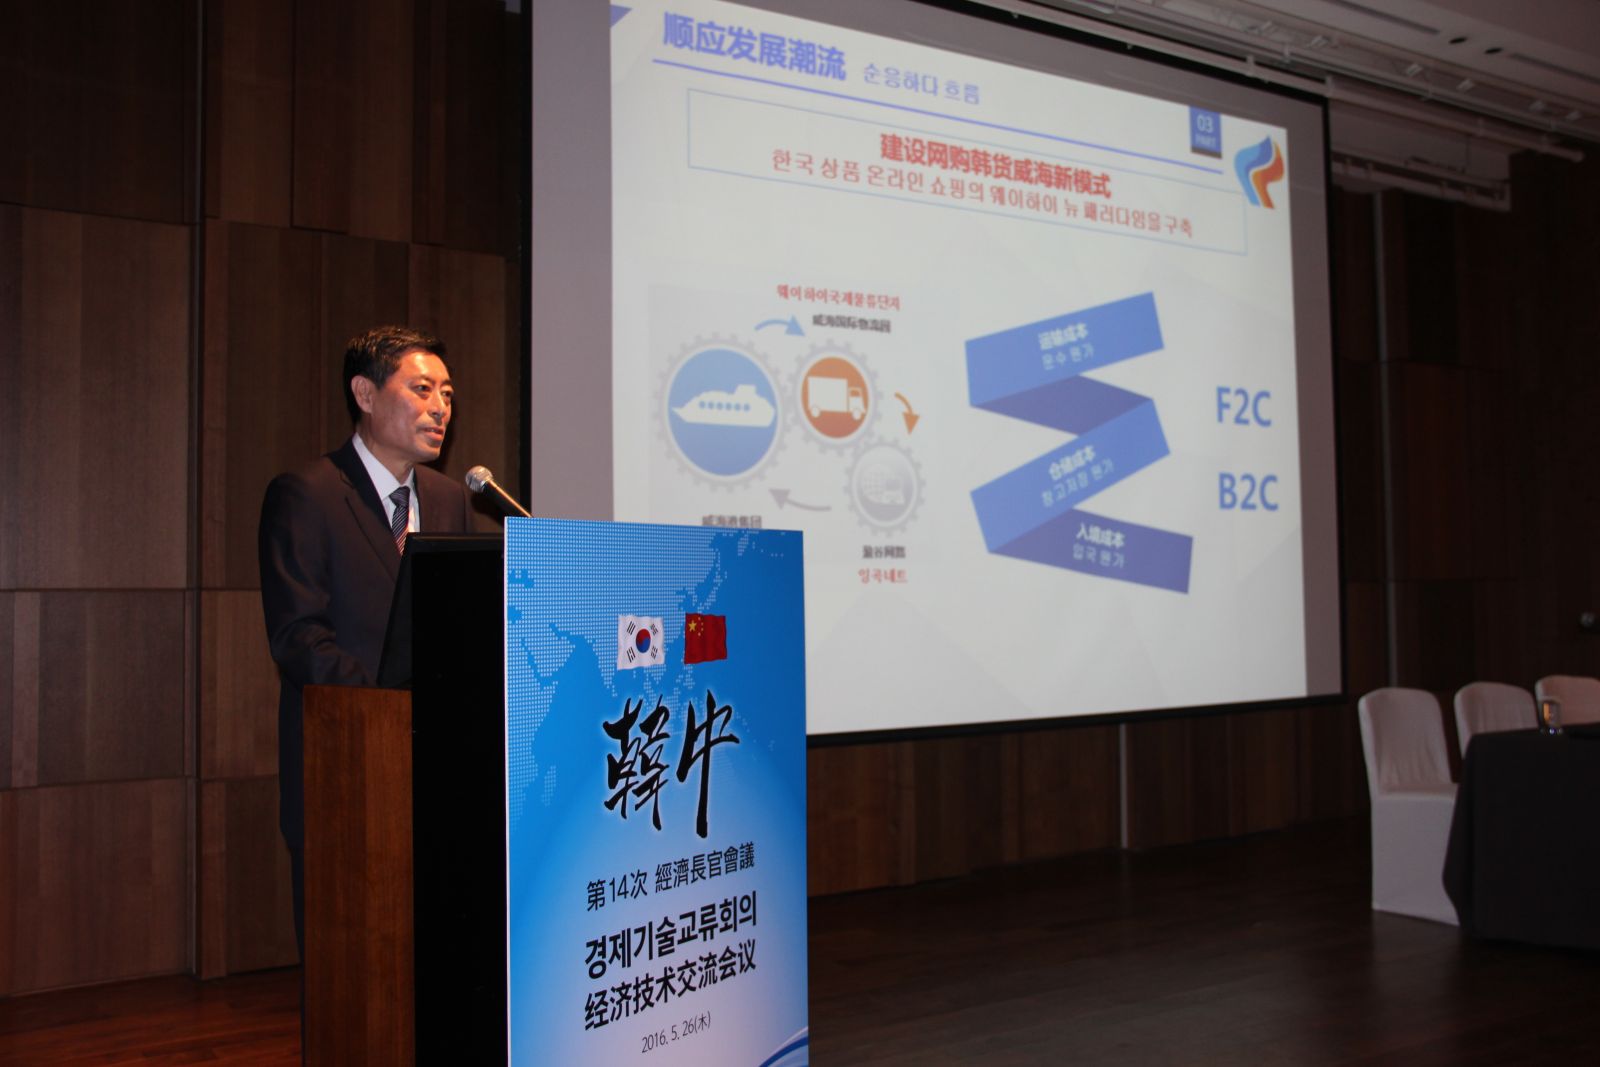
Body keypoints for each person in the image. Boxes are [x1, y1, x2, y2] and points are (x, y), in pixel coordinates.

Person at [258, 325, 475, 954]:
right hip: (346, 763)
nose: (441, 407)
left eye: (448, 394)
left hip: (441, 770)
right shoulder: (308, 494)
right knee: (351, 959)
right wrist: (397, 711)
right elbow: (299, 637)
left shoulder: (450, 500)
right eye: (422, 389)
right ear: (365, 393)